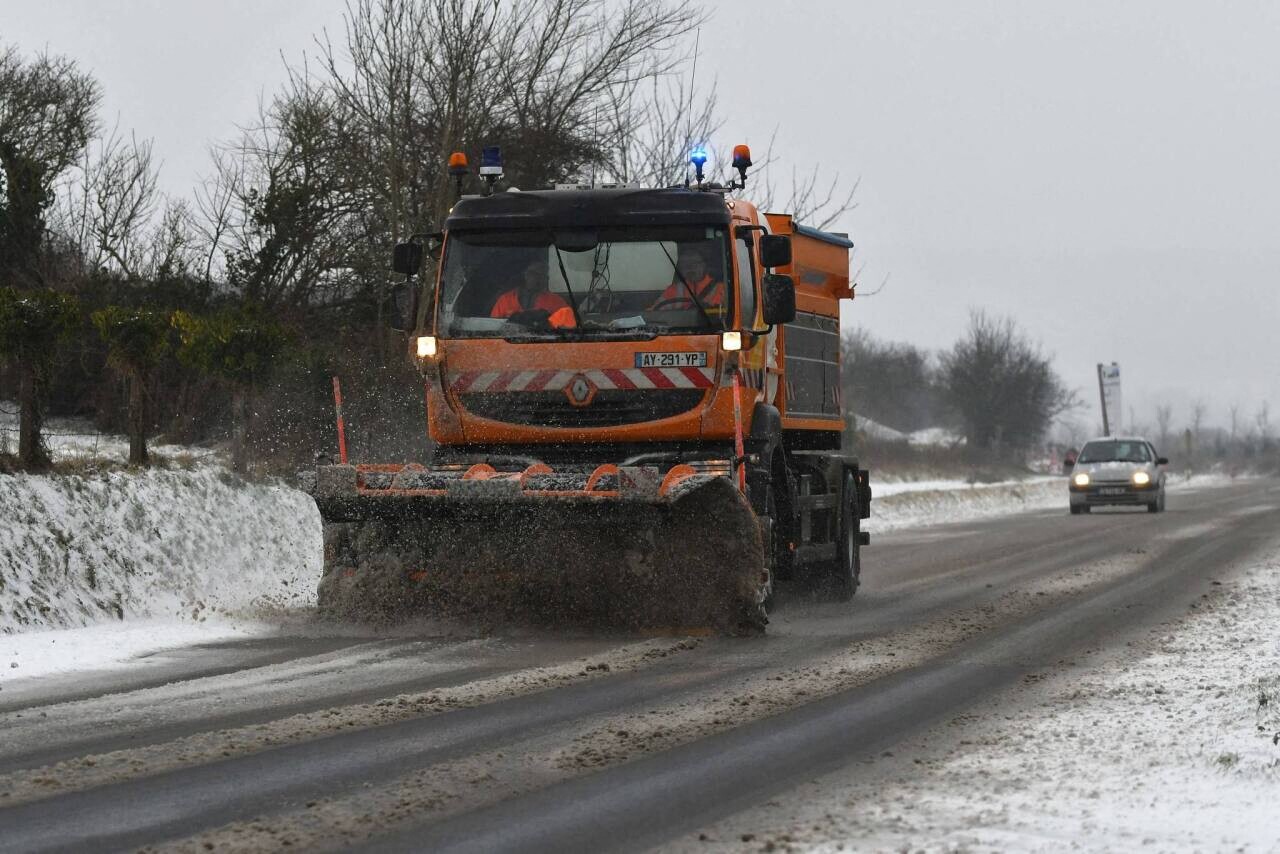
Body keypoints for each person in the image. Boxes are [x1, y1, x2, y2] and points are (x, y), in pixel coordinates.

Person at [490, 254, 576, 328]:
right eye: (534, 273)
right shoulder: (505, 300)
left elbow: (569, 329)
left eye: (543, 274)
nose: (538, 278)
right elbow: (493, 328)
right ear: (525, 275)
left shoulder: (556, 302)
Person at [650, 244, 725, 311]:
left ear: (704, 265)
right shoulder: (674, 290)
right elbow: (653, 313)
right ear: (680, 269)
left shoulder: (722, 289)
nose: (690, 268)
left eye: (694, 264)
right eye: (685, 265)